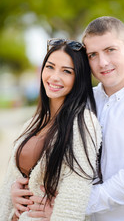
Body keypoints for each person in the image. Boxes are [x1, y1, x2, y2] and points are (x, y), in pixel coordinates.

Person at [10, 16, 124, 221]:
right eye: (93, 55)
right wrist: (18, 189)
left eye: (110, 50)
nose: (103, 62)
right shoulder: (82, 101)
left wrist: (71, 204)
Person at [0, 38, 102, 221]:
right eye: (50, 67)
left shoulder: (83, 123)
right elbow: (11, 179)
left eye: (66, 71)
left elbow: (76, 191)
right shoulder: (33, 122)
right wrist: (13, 192)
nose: (54, 77)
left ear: (78, 78)